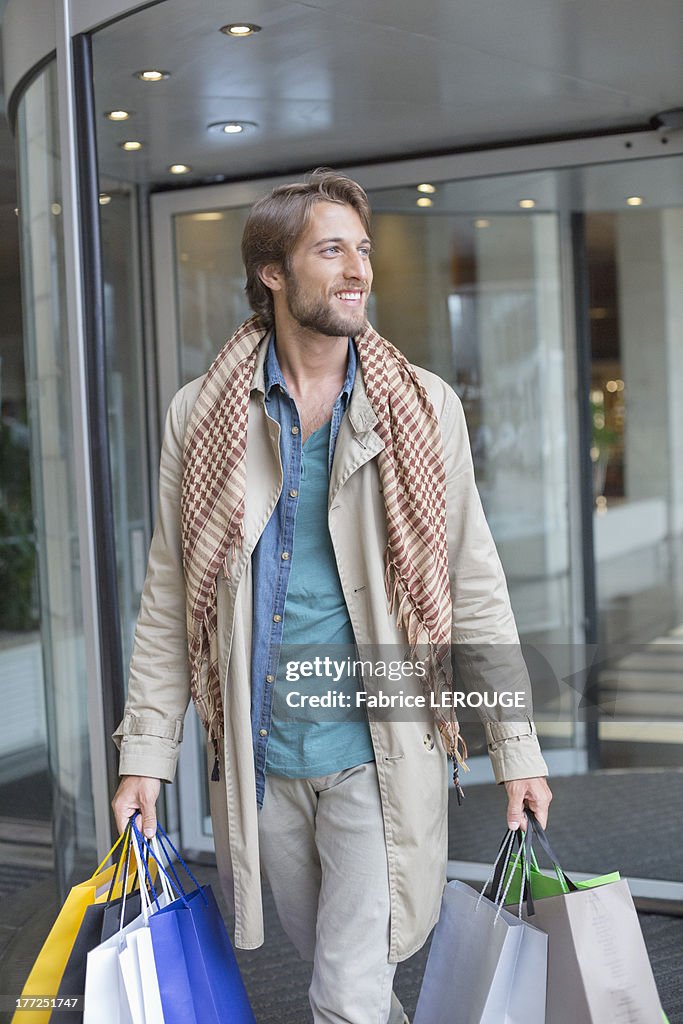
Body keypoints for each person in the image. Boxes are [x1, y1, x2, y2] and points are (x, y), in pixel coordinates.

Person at [112, 168, 552, 1024]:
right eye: (331, 249)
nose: (358, 269)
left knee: (342, 999)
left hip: (374, 749)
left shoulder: (423, 408)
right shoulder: (200, 416)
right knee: (345, 976)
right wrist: (145, 755)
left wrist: (516, 747)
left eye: (363, 249)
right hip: (262, 757)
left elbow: (474, 583)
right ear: (273, 272)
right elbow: (172, 600)